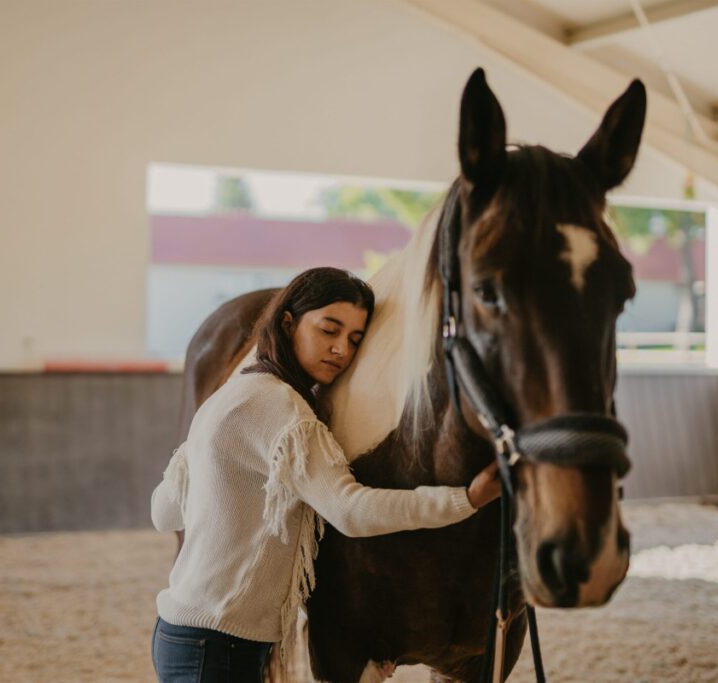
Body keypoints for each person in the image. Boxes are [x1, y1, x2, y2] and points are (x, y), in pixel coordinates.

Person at [150, 267, 501, 683]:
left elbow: (164, 511)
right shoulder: (281, 409)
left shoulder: (230, 394)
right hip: (221, 645)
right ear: (287, 322)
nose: (341, 350)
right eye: (328, 330)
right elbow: (350, 510)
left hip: (178, 632)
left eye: (354, 339)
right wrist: (467, 499)